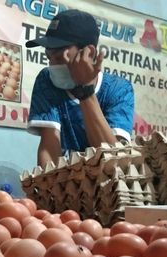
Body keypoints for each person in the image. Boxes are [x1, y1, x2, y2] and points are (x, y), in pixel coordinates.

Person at [25, 9, 135, 168]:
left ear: (89, 53)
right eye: (49, 58)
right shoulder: (46, 80)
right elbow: (49, 147)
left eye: (59, 57)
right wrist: (50, 188)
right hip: (67, 184)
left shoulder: (119, 89)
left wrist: (86, 91)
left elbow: (113, 161)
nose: (52, 65)